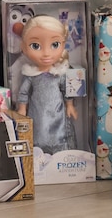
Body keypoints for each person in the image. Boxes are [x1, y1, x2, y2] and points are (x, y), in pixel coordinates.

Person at [14, 15, 77, 155]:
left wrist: (70, 105)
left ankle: (62, 153)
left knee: (60, 134)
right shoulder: (31, 75)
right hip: (38, 114)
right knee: (38, 133)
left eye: (55, 45)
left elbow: (66, 89)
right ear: (23, 46)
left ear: (63, 44)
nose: (46, 53)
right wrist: (21, 109)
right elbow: (23, 93)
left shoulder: (59, 73)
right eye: (35, 46)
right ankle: (38, 155)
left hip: (57, 114)